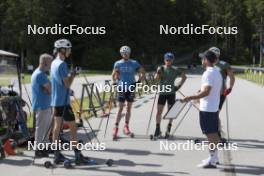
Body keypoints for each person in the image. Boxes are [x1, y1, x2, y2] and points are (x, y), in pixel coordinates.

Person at [51, 39, 89, 164]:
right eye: (68, 49)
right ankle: (78, 155)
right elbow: (66, 83)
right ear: (62, 49)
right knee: (73, 128)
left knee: (57, 128)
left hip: (56, 100)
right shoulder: (61, 64)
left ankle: (57, 155)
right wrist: (73, 74)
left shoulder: (54, 63)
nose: (70, 51)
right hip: (63, 102)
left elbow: (60, 83)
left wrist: (70, 81)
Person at [182, 50, 222, 168]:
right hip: (213, 107)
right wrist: (199, 97)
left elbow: (206, 91)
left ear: (206, 60)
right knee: (213, 133)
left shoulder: (208, 73)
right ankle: (214, 156)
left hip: (207, 109)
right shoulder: (217, 72)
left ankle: (212, 159)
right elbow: (215, 90)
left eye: (203, 58)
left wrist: (191, 97)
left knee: (210, 134)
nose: (202, 60)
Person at [111, 45, 145, 140]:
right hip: (121, 87)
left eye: (127, 53)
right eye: (123, 53)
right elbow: (113, 75)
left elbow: (142, 72)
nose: (125, 55)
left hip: (131, 88)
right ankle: (116, 127)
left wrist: (138, 81)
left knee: (128, 108)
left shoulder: (134, 63)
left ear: (129, 53)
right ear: (121, 54)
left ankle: (126, 127)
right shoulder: (118, 63)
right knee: (120, 108)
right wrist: (114, 82)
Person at [153, 52, 186, 139]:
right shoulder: (161, 68)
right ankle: (157, 128)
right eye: (167, 60)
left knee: (171, 112)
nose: (168, 62)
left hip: (171, 93)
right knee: (159, 111)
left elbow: (184, 77)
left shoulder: (175, 69)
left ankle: (169, 127)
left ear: (172, 61)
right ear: (164, 60)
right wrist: (158, 72)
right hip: (162, 93)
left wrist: (178, 86)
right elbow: (156, 79)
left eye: (170, 60)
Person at [209, 47, 235, 140]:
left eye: (214, 54)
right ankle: (216, 132)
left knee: (215, 114)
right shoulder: (208, 65)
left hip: (221, 93)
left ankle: (218, 134)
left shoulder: (224, 65)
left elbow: (232, 77)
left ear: (218, 55)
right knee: (212, 114)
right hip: (209, 93)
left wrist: (230, 88)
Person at [31, 53, 53, 157]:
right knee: (41, 129)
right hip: (42, 106)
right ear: (44, 63)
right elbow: (50, 89)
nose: (51, 66)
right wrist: (48, 89)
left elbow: (48, 89)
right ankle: (38, 150)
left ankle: (45, 148)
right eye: (50, 63)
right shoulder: (40, 74)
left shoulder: (41, 73)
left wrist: (48, 89)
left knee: (46, 128)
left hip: (45, 105)